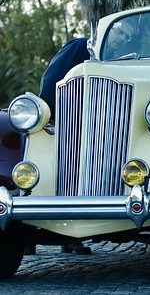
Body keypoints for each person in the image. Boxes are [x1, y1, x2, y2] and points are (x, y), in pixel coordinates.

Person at [25, 37, 92, 256]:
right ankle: (27, 237)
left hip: (94, 122)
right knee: (49, 176)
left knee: (82, 180)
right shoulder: (80, 46)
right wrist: (52, 115)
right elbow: (52, 78)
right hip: (69, 121)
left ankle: (72, 237)